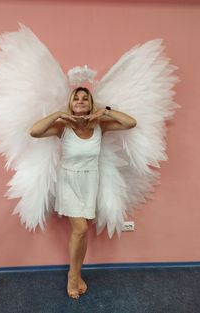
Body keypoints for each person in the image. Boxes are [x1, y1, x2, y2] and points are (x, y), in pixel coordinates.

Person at [29, 86, 137, 299]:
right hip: (68, 180)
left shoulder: (100, 126)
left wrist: (104, 111)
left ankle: (77, 273)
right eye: (76, 98)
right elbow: (34, 131)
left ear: (90, 104)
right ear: (71, 103)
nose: (80, 101)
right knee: (79, 229)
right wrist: (59, 114)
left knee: (83, 231)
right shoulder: (63, 127)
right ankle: (72, 275)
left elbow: (130, 122)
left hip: (90, 181)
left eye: (84, 99)